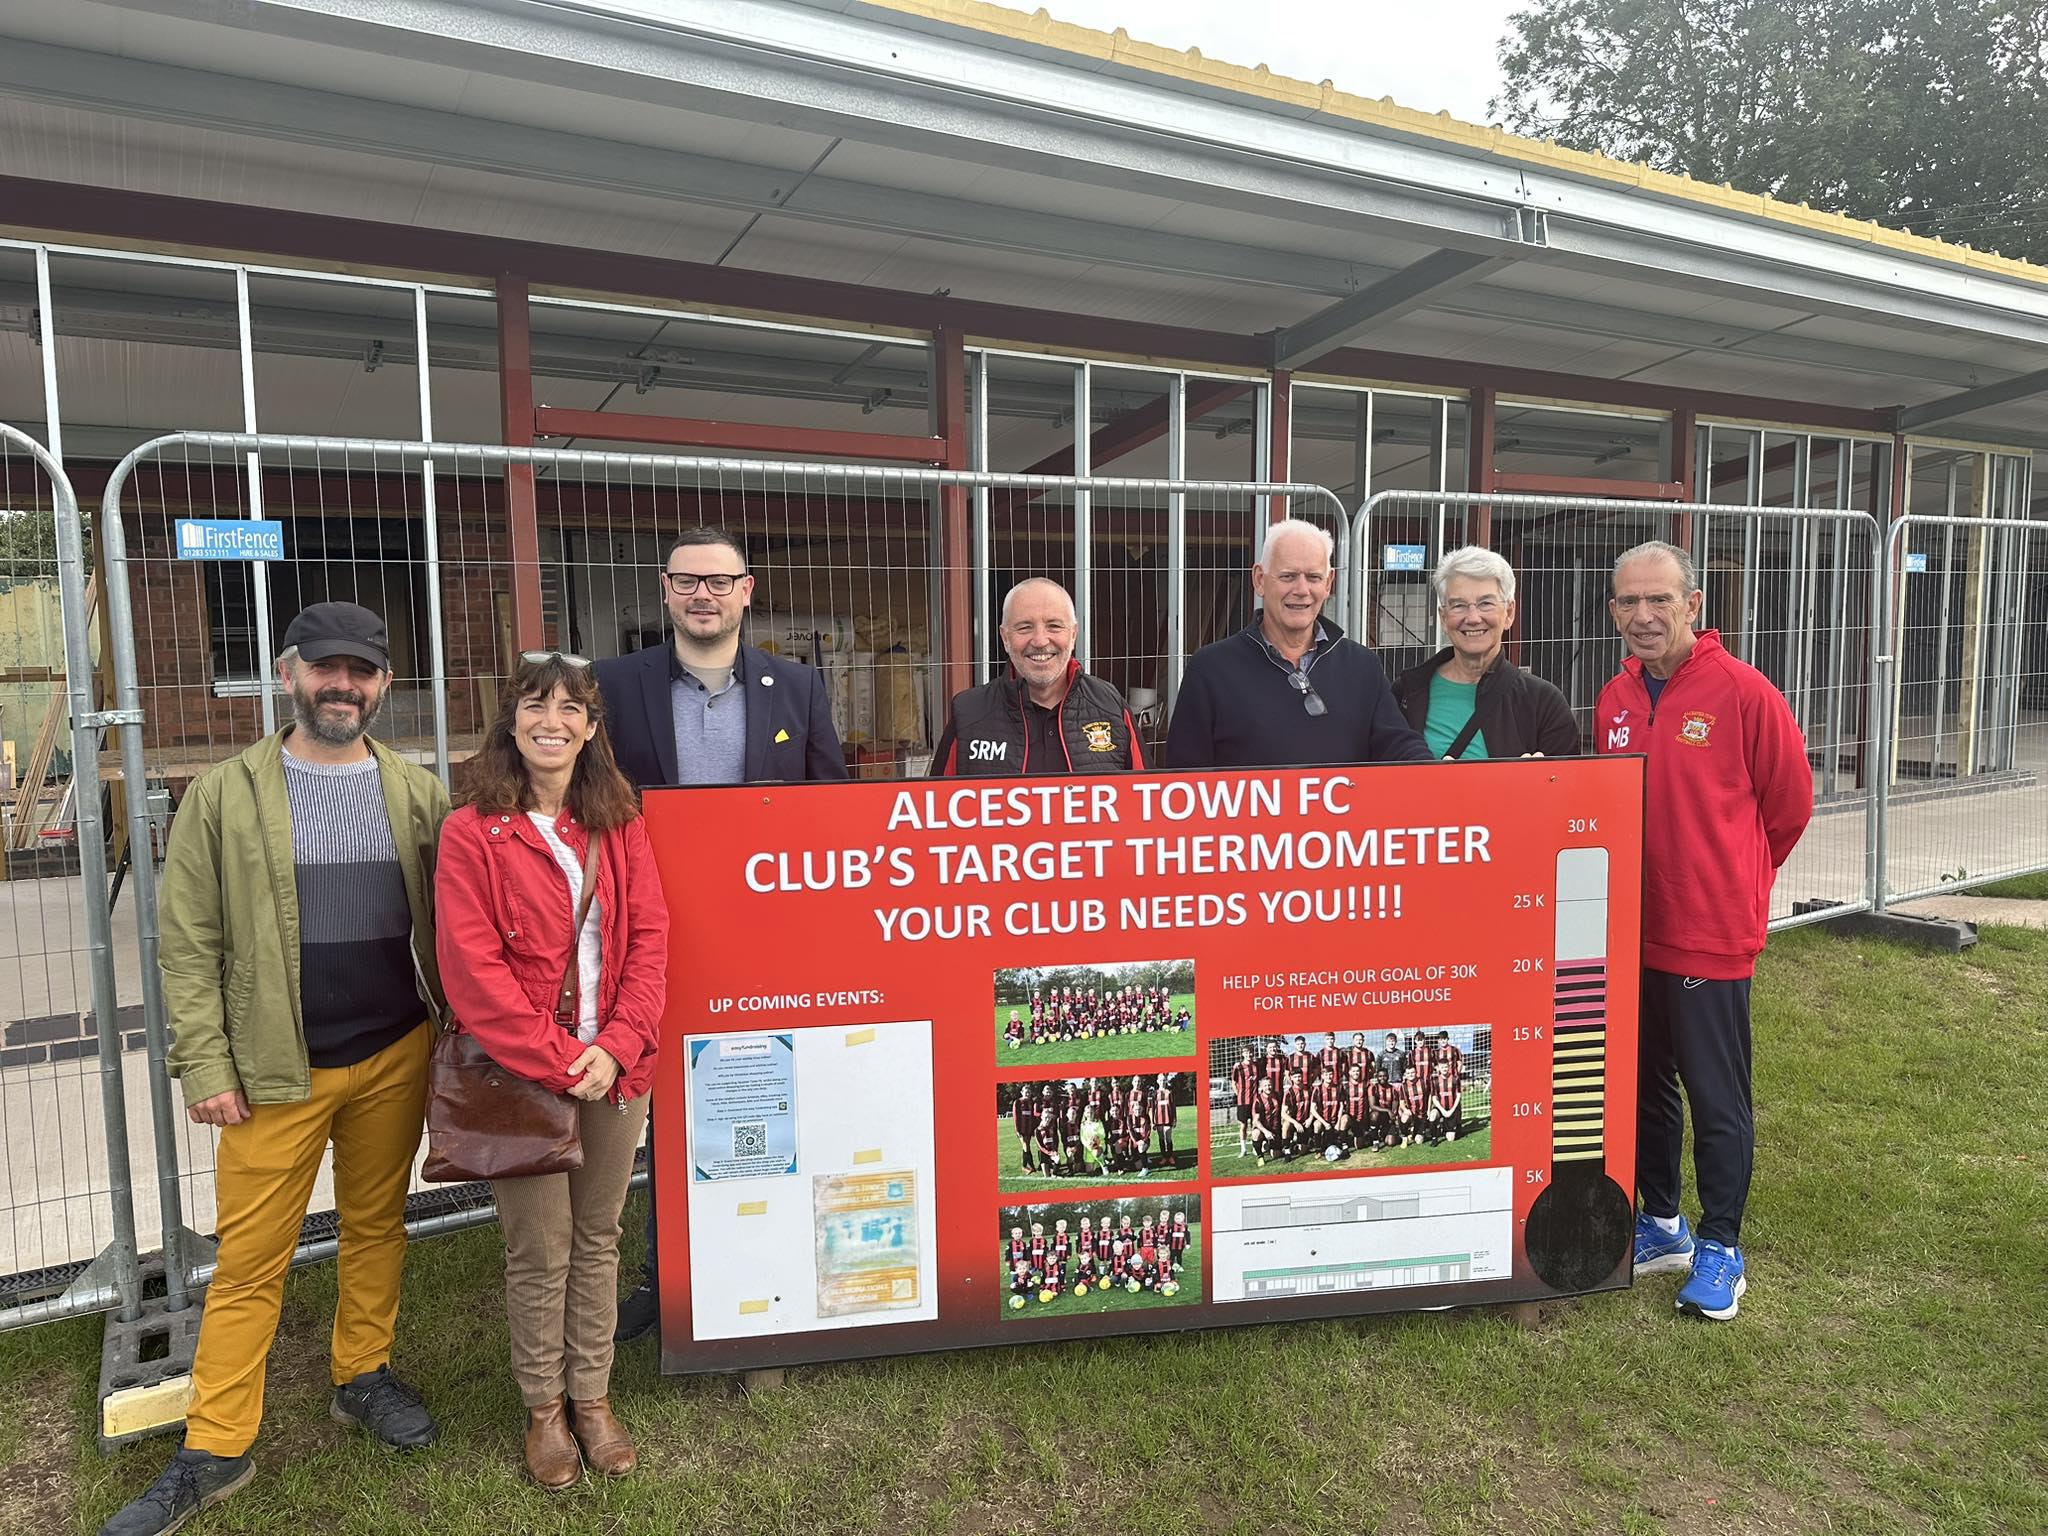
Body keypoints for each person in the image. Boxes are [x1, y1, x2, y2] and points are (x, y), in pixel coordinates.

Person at [105, 603, 447, 1536]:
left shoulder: (417, 791)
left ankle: (362, 1375)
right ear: (288, 673)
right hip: (270, 1072)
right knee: (251, 1260)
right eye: (326, 668)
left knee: (377, 1226)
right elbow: (187, 943)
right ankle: (216, 1445)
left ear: (384, 684)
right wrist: (205, 1063)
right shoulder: (224, 794)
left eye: (362, 671)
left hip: (395, 1052)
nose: (344, 686)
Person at [595, 527, 847, 1343]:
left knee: (761, 1092)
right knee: (663, 1105)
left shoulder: (797, 685)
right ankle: (664, 1273)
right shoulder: (614, 684)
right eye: (687, 581)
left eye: (718, 581)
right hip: (645, 937)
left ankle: (764, 1266)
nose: (702, 595)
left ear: (746, 591)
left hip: (762, 937)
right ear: (665, 590)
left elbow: (829, 807)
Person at [435, 651, 667, 1487]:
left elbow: (650, 939)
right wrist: (564, 1060)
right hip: (525, 1074)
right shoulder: (472, 831)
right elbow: (474, 975)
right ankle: (544, 1409)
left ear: (592, 727)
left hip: (616, 1069)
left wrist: (619, 1045)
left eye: (571, 708)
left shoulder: (618, 821)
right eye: (536, 705)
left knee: (599, 1235)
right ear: (512, 720)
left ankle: (593, 1398)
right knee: (540, 1247)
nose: (552, 722)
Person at [1599, 540, 1812, 1322]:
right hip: (1633, 931)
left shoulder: (1744, 692)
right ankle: (1662, 1225)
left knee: (1716, 1096)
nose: (1644, 615)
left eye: (1659, 599)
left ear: (1692, 604)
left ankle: (1722, 1246)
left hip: (1708, 935)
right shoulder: (1615, 696)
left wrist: (1735, 879)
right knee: (1645, 1087)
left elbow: (1789, 807)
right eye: (1629, 601)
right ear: (1614, 610)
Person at [1166, 518, 1430, 767]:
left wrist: (1439, 773)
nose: (1302, 590)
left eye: (1313, 577)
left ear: (1328, 583)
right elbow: (1184, 776)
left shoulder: (1362, 666)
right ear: (1260, 580)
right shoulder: (1211, 670)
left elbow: (1397, 743)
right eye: (1288, 576)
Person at [932, 577, 1142, 774]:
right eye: (1025, 628)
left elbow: (1146, 795)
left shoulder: (1111, 707)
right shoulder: (969, 713)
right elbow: (936, 798)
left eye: (1054, 626)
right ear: (1005, 638)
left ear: (1073, 634)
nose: (1040, 641)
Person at [1393, 546, 1580, 760]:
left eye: (1486, 604)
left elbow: (1571, 780)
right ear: (1443, 618)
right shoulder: (1405, 694)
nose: (1473, 618)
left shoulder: (1543, 703)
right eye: (1458, 605)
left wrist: (1532, 778)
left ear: (1509, 613)